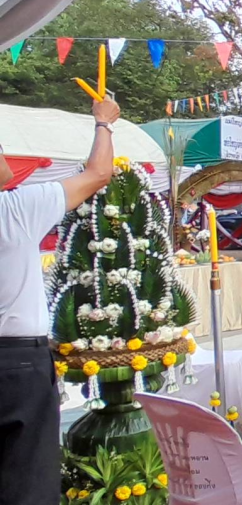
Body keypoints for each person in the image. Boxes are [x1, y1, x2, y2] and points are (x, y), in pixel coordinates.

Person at [1, 99, 120, 504]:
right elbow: (99, 173)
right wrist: (103, 124)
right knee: (28, 480)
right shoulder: (14, 209)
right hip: (16, 365)